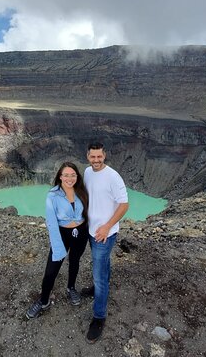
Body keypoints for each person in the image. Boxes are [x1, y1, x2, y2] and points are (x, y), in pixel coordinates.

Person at [26, 162, 89, 319]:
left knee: (75, 261)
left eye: (73, 175)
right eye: (66, 175)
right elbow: (52, 222)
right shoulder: (53, 195)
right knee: (51, 270)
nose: (69, 178)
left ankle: (71, 288)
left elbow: (88, 212)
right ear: (60, 177)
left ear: (77, 176)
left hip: (81, 232)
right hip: (62, 233)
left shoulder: (81, 191)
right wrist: (57, 245)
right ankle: (43, 300)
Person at [83, 142, 129, 343]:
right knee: (102, 266)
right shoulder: (86, 172)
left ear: (105, 155)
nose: (96, 160)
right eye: (93, 157)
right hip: (91, 230)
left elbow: (124, 204)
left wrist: (107, 226)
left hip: (105, 234)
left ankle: (99, 317)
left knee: (99, 272)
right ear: (87, 156)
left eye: (99, 157)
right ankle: (98, 288)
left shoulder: (113, 176)